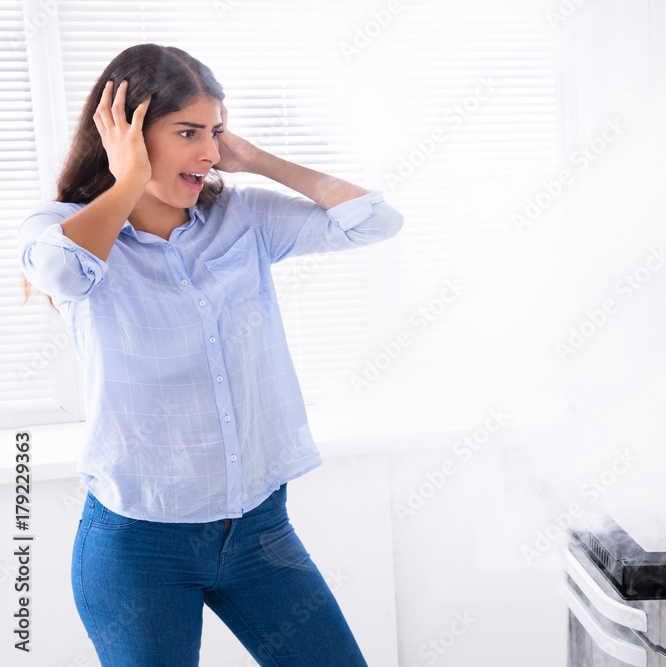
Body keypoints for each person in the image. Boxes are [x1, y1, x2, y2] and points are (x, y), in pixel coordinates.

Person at [17, 43, 402, 666]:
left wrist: (249, 155)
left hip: (259, 532)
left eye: (216, 132)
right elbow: (62, 273)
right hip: (139, 545)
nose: (210, 152)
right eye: (188, 132)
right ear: (131, 137)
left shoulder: (241, 218)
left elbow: (374, 220)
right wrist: (129, 182)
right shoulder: (64, 226)